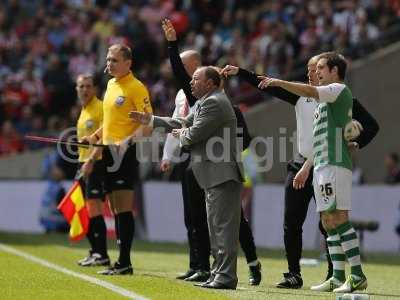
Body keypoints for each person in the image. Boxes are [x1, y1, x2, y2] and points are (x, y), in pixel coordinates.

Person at [221, 54, 378, 289]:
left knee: (332, 220)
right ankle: (295, 273)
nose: (310, 73)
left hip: (327, 162)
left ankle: (337, 273)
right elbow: (267, 84)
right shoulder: (303, 98)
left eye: (316, 68)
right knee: (299, 220)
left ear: (327, 70)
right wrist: (241, 73)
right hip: (306, 161)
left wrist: (356, 142)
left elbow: (371, 126)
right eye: (309, 69)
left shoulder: (337, 95)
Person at [161, 18, 261, 285]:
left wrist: (171, 44)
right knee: (204, 220)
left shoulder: (214, 102)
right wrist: (154, 127)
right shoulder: (196, 99)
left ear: (203, 76)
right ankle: (205, 267)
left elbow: (240, 139)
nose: (188, 79)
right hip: (201, 164)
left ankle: (246, 265)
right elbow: (179, 122)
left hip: (219, 167)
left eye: (191, 74)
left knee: (228, 224)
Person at [257, 52, 368, 293]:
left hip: (335, 164)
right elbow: (320, 141)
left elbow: (308, 92)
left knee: (338, 218)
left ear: (334, 71)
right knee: (328, 222)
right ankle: (338, 277)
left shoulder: (337, 89)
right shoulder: (324, 103)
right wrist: (307, 167)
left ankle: (357, 274)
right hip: (321, 165)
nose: (316, 72)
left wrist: (278, 82)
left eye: (320, 68)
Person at [130, 66, 243, 290]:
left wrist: (182, 135)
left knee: (223, 229)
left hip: (222, 174)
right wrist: (150, 119)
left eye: (195, 79)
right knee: (215, 228)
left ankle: (226, 276)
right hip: (212, 174)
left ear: (210, 83)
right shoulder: (204, 102)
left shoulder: (214, 102)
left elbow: (191, 134)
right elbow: (182, 123)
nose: (191, 83)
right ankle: (218, 273)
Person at [82, 44, 153, 275]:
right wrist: (95, 136)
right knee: (113, 208)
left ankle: (125, 262)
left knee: (123, 208)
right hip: (108, 152)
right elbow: (110, 122)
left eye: (114, 60)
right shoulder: (111, 84)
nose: (109, 64)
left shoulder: (136, 87)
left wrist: (127, 142)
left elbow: (149, 125)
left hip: (125, 154)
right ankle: (121, 262)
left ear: (127, 63)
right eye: (108, 59)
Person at [75, 74, 110, 267]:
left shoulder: (99, 107)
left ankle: (102, 253)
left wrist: (90, 160)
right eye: (81, 86)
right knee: (86, 209)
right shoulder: (84, 110)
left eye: (88, 86)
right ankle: (95, 250)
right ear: (76, 89)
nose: (85, 90)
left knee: (94, 207)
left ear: (94, 89)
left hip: (94, 163)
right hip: (82, 163)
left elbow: (104, 136)